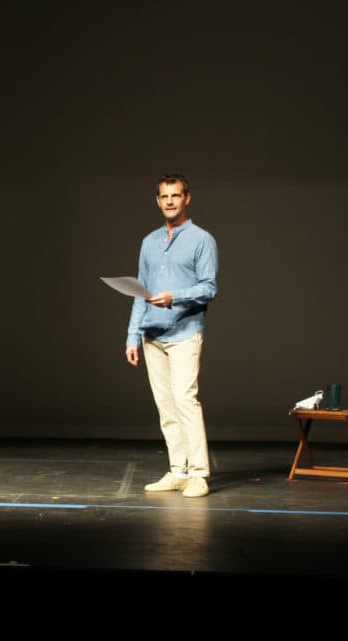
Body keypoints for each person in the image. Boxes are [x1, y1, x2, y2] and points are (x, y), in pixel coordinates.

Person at [125, 173, 218, 498]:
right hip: (152, 334)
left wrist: (173, 297)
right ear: (157, 200)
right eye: (164, 196)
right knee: (166, 406)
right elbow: (140, 290)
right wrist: (132, 335)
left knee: (185, 401)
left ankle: (199, 474)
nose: (169, 201)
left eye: (175, 196)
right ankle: (178, 470)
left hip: (184, 332)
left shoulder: (201, 239)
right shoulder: (148, 242)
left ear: (186, 198)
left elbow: (209, 287)